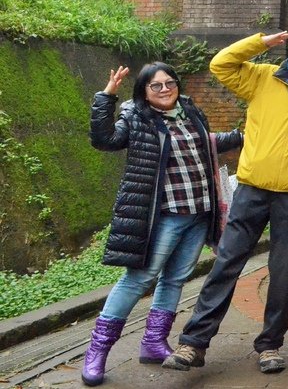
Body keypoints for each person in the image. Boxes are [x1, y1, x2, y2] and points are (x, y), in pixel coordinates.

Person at [164, 22, 288, 374]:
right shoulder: (263, 76)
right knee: (226, 263)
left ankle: (270, 344)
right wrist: (259, 42)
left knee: (284, 272)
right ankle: (193, 342)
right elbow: (220, 64)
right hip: (253, 189)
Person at [81, 64, 242, 386]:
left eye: (170, 83)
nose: (166, 89)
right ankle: (97, 351)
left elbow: (205, 143)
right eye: (157, 86)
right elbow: (104, 139)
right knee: (138, 279)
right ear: (144, 91)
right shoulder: (136, 117)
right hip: (163, 214)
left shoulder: (190, 111)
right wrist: (107, 97)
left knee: (175, 280)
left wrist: (241, 136)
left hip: (199, 212)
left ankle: (154, 342)